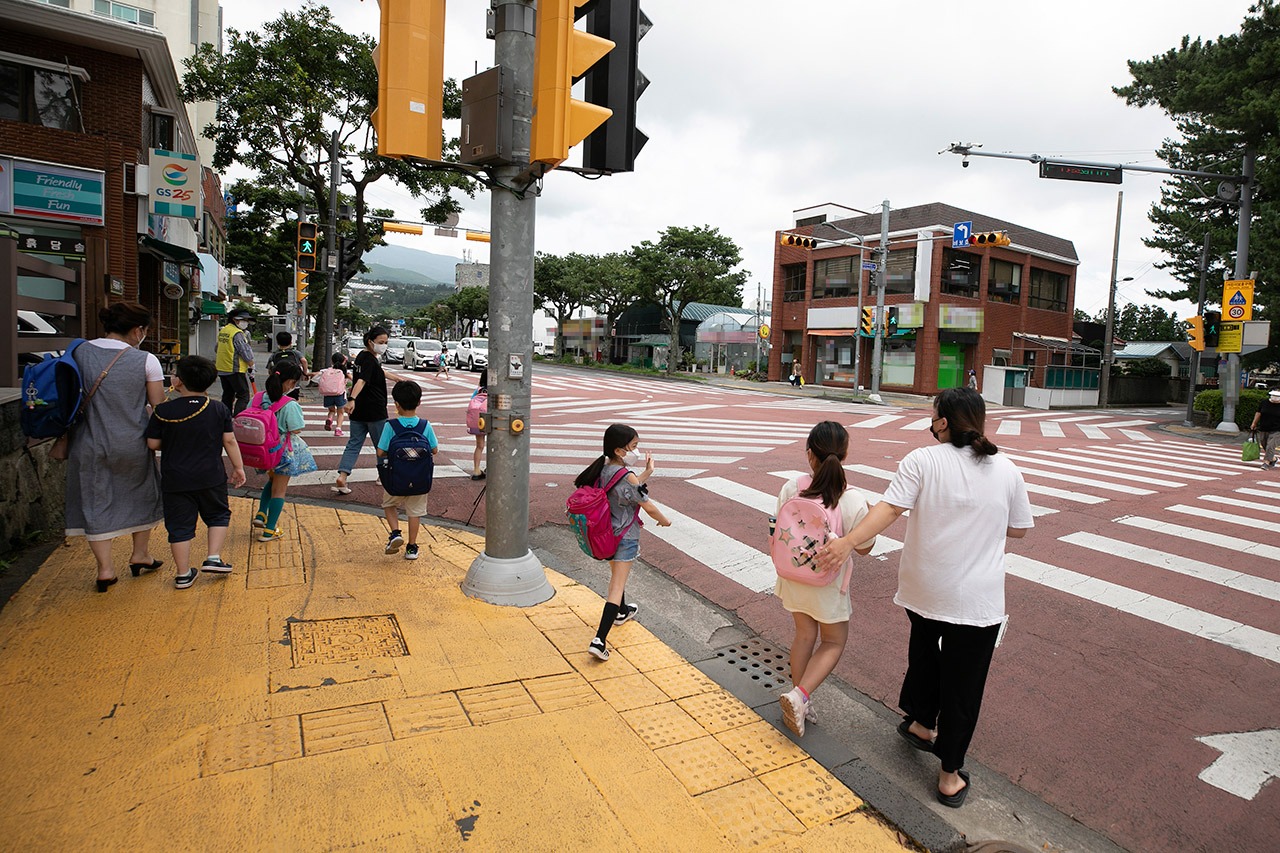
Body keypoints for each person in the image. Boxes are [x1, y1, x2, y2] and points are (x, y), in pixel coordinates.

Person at [816, 387, 1034, 808]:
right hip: (978, 601)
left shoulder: (922, 460)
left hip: (925, 589)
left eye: (933, 414)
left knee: (926, 654)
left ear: (943, 422)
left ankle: (920, 723)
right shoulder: (1007, 469)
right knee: (963, 684)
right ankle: (949, 775)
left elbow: (889, 509)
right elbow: (1021, 529)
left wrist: (846, 543)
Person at [776, 421, 877, 737]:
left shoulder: (793, 487)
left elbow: (779, 527)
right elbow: (864, 549)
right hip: (827, 586)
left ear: (810, 454)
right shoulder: (852, 499)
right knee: (833, 641)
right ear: (845, 454)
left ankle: (800, 698)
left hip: (793, 576)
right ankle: (799, 696)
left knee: (804, 636)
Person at [65, 302, 166, 592]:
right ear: (137, 330)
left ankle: (105, 570)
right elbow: (158, 406)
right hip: (132, 442)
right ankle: (140, 554)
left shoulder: (78, 352)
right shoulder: (145, 360)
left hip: (87, 441)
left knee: (96, 500)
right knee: (142, 494)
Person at [145, 355, 247, 589]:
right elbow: (229, 441)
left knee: (179, 526)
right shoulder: (218, 408)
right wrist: (238, 468)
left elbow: (152, 444)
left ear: (178, 381)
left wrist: (172, 441)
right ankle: (213, 557)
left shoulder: (163, 410)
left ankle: (182, 574)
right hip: (211, 476)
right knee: (218, 514)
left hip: (175, 479)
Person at [573, 424, 672, 661]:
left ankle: (623, 612)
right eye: (634, 447)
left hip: (604, 534)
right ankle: (599, 640)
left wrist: (647, 473)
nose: (636, 452)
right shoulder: (626, 475)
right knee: (616, 587)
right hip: (624, 537)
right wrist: (665, 521)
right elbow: (647, 505)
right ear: (620, 450)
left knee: (618, 574)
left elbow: (626, 487)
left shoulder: (603, 469)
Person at [251, 361, 316, 541]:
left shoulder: (257, 398)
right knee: (279, 490)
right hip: (280, 451)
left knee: (272, 481)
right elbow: (295, 429)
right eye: (294, 382)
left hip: (261, 449)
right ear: (288, 383)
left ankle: (262, 514)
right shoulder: (289, 404)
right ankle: (269, 530)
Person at [376, 380, 439, 560]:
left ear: (396, 404)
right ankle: (412, 547)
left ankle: (395, 533)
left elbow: (381, 451)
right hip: (419, 479)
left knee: (389, 505)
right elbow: (434, 450)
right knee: (415, 512)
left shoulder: (391, 426)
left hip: (395, 478)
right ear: (419, 402)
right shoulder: (425, 425)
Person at [332, 326, 390, 495]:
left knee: (354, 444)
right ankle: (384, 476)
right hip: (375, 410)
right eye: (381, 342)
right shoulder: (370, 360)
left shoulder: (362, 358)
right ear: (370, 342)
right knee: (382, 445)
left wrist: (399, 379)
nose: (384, 345)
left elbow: (375, 374)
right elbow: (362, 381)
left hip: (359, 411)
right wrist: (351, 399)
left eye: (386, 342)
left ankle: (343, 475)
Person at [216, 308, 256, 414]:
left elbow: (216, 348)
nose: (246, 323)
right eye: (244, 320)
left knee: (228, 394)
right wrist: (251, 365)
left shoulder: (224, 331)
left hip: (222, 368)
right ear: (235, 320)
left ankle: (225, 418)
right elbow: (244, 351)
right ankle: (238, 419)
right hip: (235, 369)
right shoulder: (237, 333)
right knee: (243, 395)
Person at [266, 331, 309, 401]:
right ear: (291, 342)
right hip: (294, 381)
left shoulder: (275, 354)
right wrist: (305, 373)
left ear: (277, 342)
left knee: (279, 400)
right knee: (293, 399)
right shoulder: (295, 353)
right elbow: (304, 361)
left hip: (280, 382)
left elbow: (270, 368)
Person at [317, 352, 350, 437]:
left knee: (331, 410)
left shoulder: (326, 370)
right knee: (341, 413)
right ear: (344, 361)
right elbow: (354, 379)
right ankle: (338, 429)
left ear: (332, 361)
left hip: (328, 394)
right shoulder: (344, 371)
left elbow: (315, 375)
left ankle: (330, 418)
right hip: (339, 394)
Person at [1249, 389, 1280, 470]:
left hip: (1277, 429)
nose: (1275, 398)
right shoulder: (1264, 403)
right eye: (1274, 396)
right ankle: (1273, 459)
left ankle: (1266, 462)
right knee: (1264, 444)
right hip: (1264, 427)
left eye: (1277, 396)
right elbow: (1258, 413)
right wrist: (1254, 423)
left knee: (1271, 445)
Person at [469, 369, 488, 480]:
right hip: (491, 420)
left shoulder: (478, 390)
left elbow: (472, 401)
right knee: (494, 445)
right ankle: (492, 468)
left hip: (478, 421)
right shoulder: (495, 390)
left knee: (479, 446)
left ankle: (476, 470)